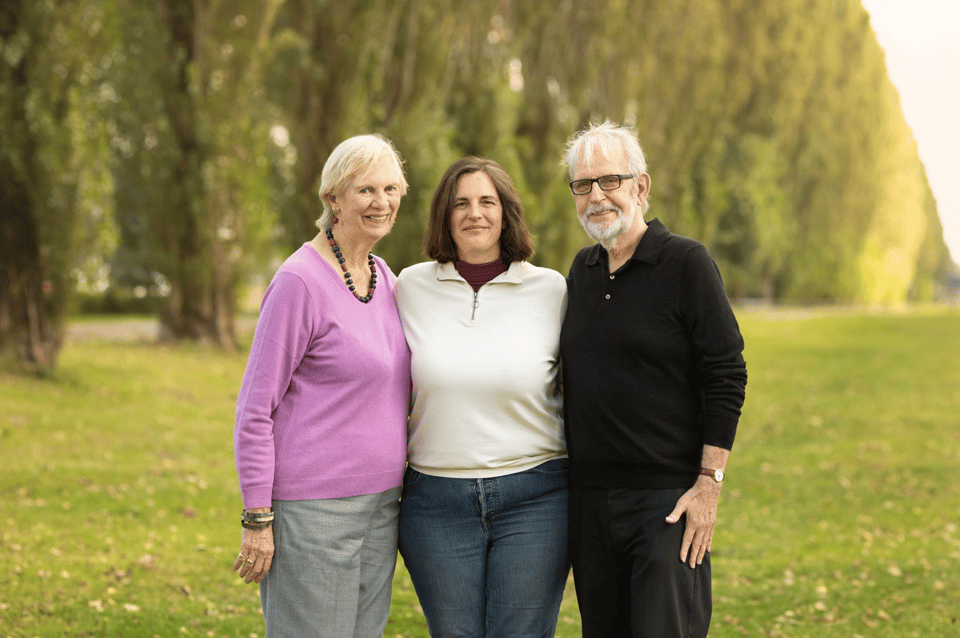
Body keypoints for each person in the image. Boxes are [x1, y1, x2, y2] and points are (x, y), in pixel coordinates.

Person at [559, 121, 748, 638]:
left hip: (666, 506)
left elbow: (726, 371)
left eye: (610, 181)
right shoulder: (583, 269)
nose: (596, 196)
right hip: (591, 507)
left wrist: (709, 484)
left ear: (641, 187)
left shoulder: (686, 263)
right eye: (583, 184)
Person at [232, 134, 412, 638]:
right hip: (314, 513)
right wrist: (257, 517)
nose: (383, 202)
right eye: (366, 190)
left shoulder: (383, 276)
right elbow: (254, 410)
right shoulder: (300, 282)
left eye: (392, 189)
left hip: (382, 507)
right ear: (333, 198)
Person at [394, 157, 569, 637]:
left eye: (487, 201)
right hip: (435, 503)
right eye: (461, 203)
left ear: (506, 212)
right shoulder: (408, 286)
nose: (475, 213)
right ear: (444, 217)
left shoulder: (551, 290)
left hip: (536, 497)